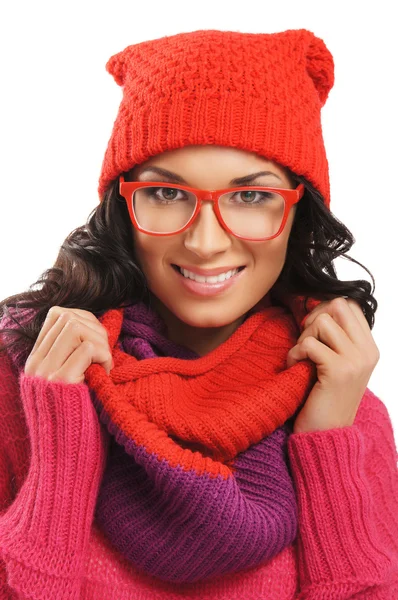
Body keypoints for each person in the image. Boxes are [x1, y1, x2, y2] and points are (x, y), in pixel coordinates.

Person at [0, 27, 397, 600]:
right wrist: (61, 453)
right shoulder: (34, 375)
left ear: (299, 213)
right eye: (166, 194)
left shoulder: (344, 404)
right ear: (123, 207)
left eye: (252, 196)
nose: (206, 242)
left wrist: (327, 442)